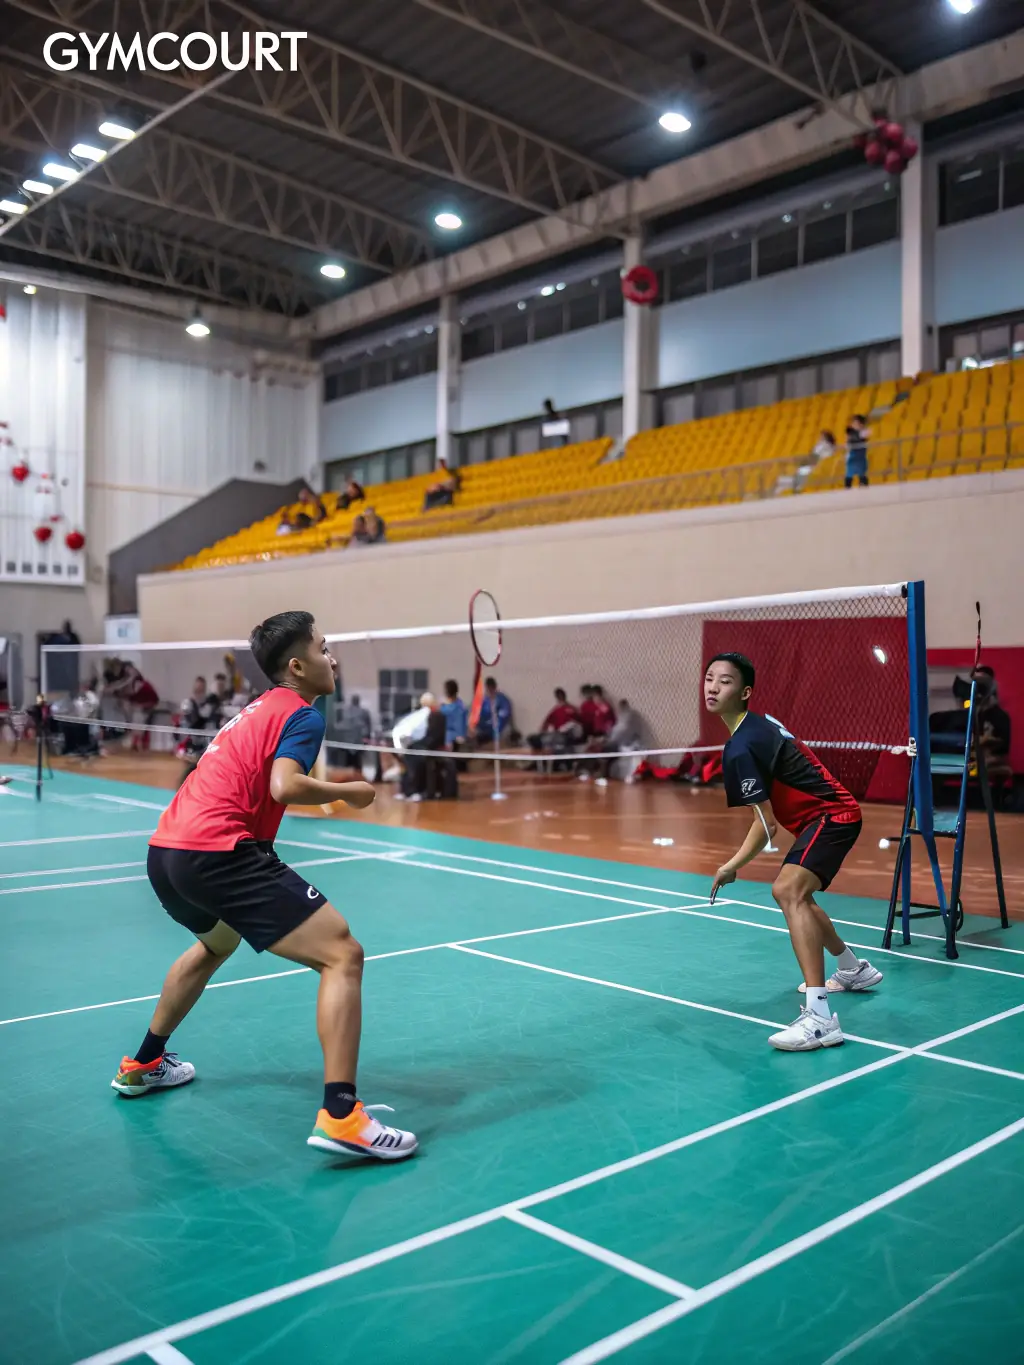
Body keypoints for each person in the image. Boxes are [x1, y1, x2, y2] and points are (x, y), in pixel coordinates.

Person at [109, 611, 417, 1162]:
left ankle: (143, 1064)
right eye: (325, 648)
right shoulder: (302, 714)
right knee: (342, 954)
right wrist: (351, 791)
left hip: (167, 851)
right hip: (218, 852)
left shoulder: (250, 711)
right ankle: (343, 1117)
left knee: (214, 946)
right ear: (297, 665)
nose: (334, 657)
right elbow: (283, 786)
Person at [704, 652, 882, 1052]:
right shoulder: (756, 726)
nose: (713, 687)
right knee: (799, 893)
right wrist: (733, 865)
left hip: (831, 815)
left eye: (725, 681)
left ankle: (819, 1020)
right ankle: (853, 969)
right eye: (710, 678)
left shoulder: (741, 746)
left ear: (745, 692)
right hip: (828, 815)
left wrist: (731, 865)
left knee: (788, 890)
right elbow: (767, 822)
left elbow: (766, 822)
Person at [178, 676, 222, 787]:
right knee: (189, 771)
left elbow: (211, 721)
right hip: (190, 741)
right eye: (198, 685)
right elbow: (192, 721)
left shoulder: (208, 703)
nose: (199, 688)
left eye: (202, 686)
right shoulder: (188, 703)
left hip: (204, 741)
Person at [528, 688, 582, 755]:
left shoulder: (572, 708)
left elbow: (579, 722)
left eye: (561, 695)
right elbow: (546, 722)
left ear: (564, 696)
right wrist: (542, 730)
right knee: (533, 738)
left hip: (566, 736)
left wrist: (568, 729)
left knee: (552, 739)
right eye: (558, 696)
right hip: (556, 734)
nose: (560, 697)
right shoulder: (555, 710)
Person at [336, 692, 373, 768]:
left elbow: (368, 727)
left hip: (355, 742)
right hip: (350, 742)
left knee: (354, 762)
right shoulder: (345, 711)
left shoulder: (363, 712)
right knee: (352, 762)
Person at [474, 676, 511, 746]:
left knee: (503, 733)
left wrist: (495, 726)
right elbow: (480, 717)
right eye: (488, 689)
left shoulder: (502, 699)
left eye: (491, 688)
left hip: (499, 729)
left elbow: (504, 716)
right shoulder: (484, 701)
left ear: (494, 687)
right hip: (486, 729)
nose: (490, 691)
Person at [844, 415, 870, 488]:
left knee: (862, 476)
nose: (854, 425)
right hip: (851, 458)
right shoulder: (850, 434)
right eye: (853, 423)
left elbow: (862, 436)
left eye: (856, 423)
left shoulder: (864, 432)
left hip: (860, 458)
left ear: (861, 424)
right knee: (848, 478)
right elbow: (847, 445)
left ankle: (865, 492)